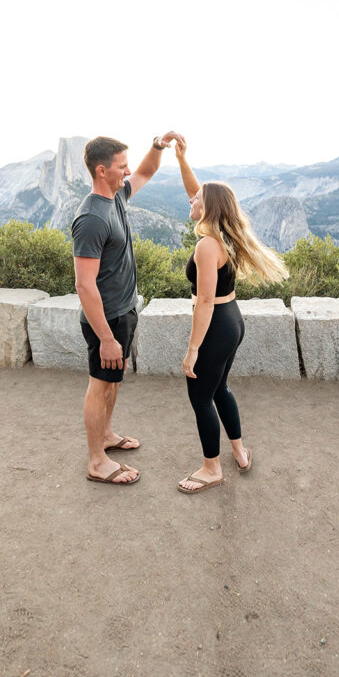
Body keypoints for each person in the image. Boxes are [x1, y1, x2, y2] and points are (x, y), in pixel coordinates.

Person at [174, 138, 289, 494]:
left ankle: (211, 469)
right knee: (219, 387)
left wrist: (193, 349)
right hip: (232, 320)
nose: (190, 200)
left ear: (208, 208)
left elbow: (205, 301)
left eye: (196, 200)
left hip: (216, 322)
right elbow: (201, 193)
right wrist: (181, 160)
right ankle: (239, 453)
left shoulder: (207, 245)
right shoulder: (224, 236)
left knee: (200, 396)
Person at [72, 132, 183, 485]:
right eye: (121, 166)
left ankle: (105, 435)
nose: (128, 171)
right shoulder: (91, 218)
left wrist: (158, 145)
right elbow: (84, 284)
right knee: (100, 385)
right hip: (104, 320)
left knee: (113, 382)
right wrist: (105, 337)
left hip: (124, 312)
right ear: (102, 170)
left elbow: (146, 172)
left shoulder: (116, 196)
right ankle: (96, 461)